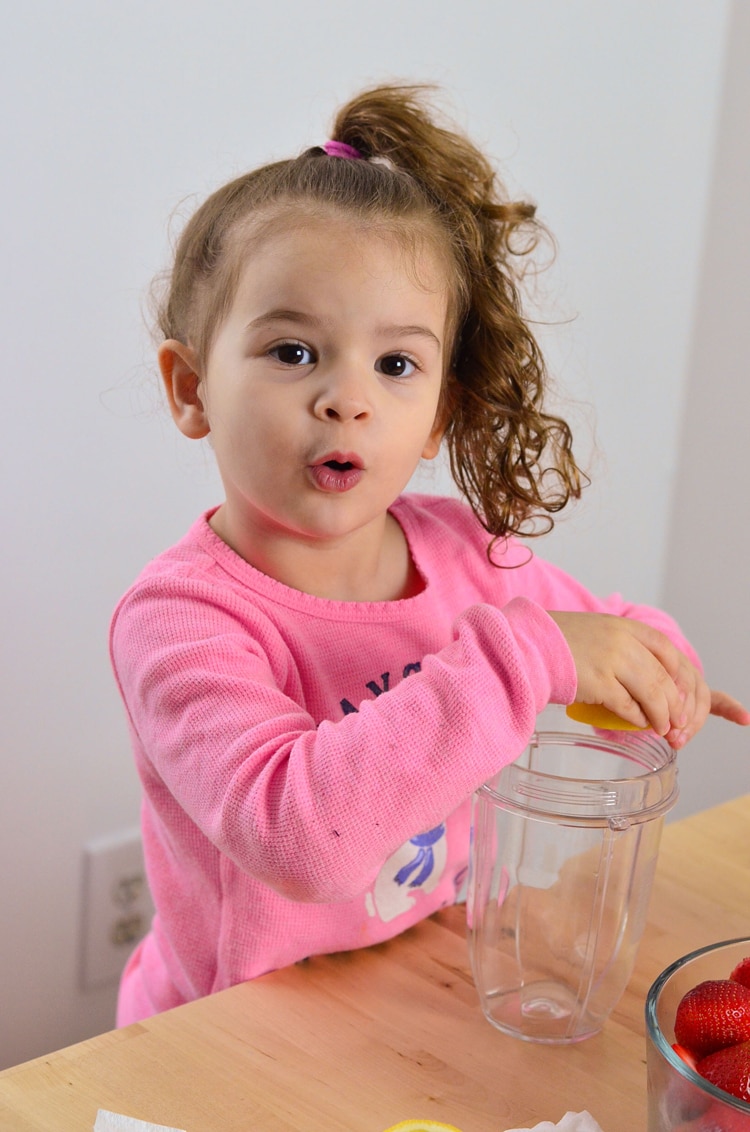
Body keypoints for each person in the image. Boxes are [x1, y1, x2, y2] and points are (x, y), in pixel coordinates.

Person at [110, 83, 749, 1026]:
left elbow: (595, 634)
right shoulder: (182, 620)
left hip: (410, 985)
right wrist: (535, 656)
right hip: (225, 1030)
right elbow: (302, 839)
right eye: (293, 352)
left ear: (438, 412)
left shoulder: (460, 552)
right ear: (191, 386)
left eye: (396, 364)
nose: (346, 398)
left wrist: (654, 664)